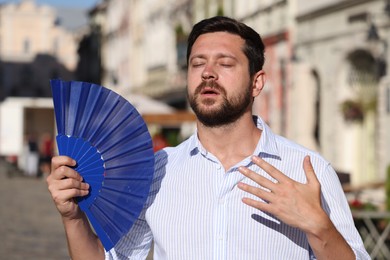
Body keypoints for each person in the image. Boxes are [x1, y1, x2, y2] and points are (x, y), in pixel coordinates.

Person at [47, 16, 369, 259]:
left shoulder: (307, 170)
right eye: (197, 63)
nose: (208, 73)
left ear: (257, 83)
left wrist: (320, 227)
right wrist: (73, 217)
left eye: (225, 63)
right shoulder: (157, 170)